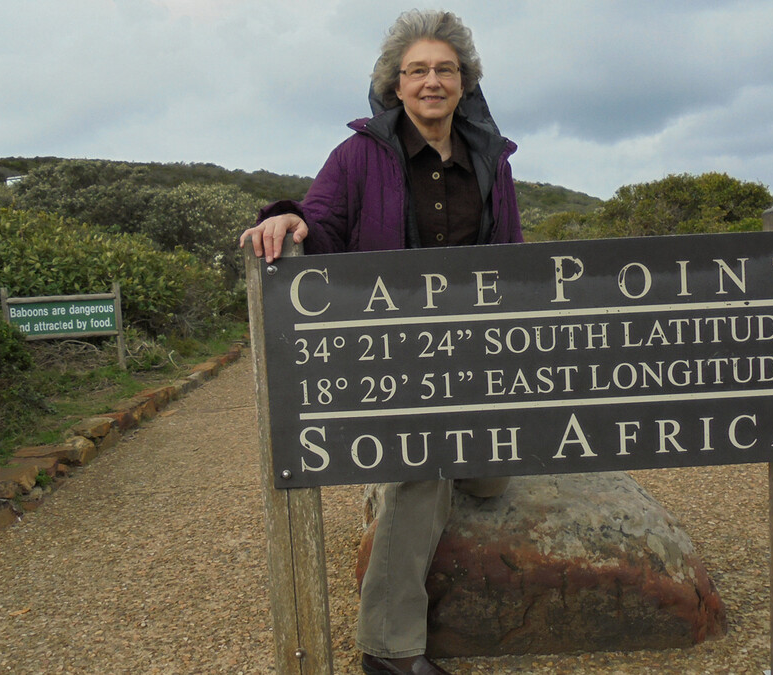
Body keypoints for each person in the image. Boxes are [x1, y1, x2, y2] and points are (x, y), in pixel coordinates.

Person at [240, 10, 519, 675]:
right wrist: (284, 216)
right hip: (394, 362)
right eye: (417, 70)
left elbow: (513, 259)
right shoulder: (360, 156)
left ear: (465, 82)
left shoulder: (491, 158)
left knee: (490, 478)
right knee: (425, 464)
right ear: (394, 85)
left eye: (444, 70)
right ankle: (391, 651)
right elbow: (320, 218)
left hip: (474, 358)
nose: (431, 81)